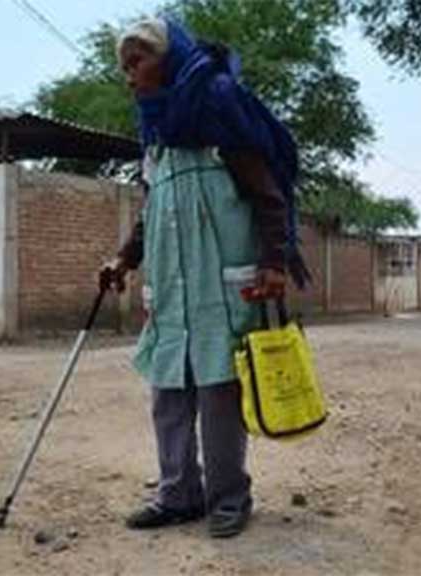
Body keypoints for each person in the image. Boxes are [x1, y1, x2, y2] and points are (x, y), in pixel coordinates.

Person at [100, 17, 308, 539]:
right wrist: (123, 259)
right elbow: (153, 209)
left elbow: (268, 197)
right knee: (168, 394)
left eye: (137, 61)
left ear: (166, 58)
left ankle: (229, 499)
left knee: (219, 397)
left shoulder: (218, 111)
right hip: (173, 290)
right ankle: (178, 496)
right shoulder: (157, 136)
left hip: (224, 286)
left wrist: (276, 263)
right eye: (124, 65)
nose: (130, 75)